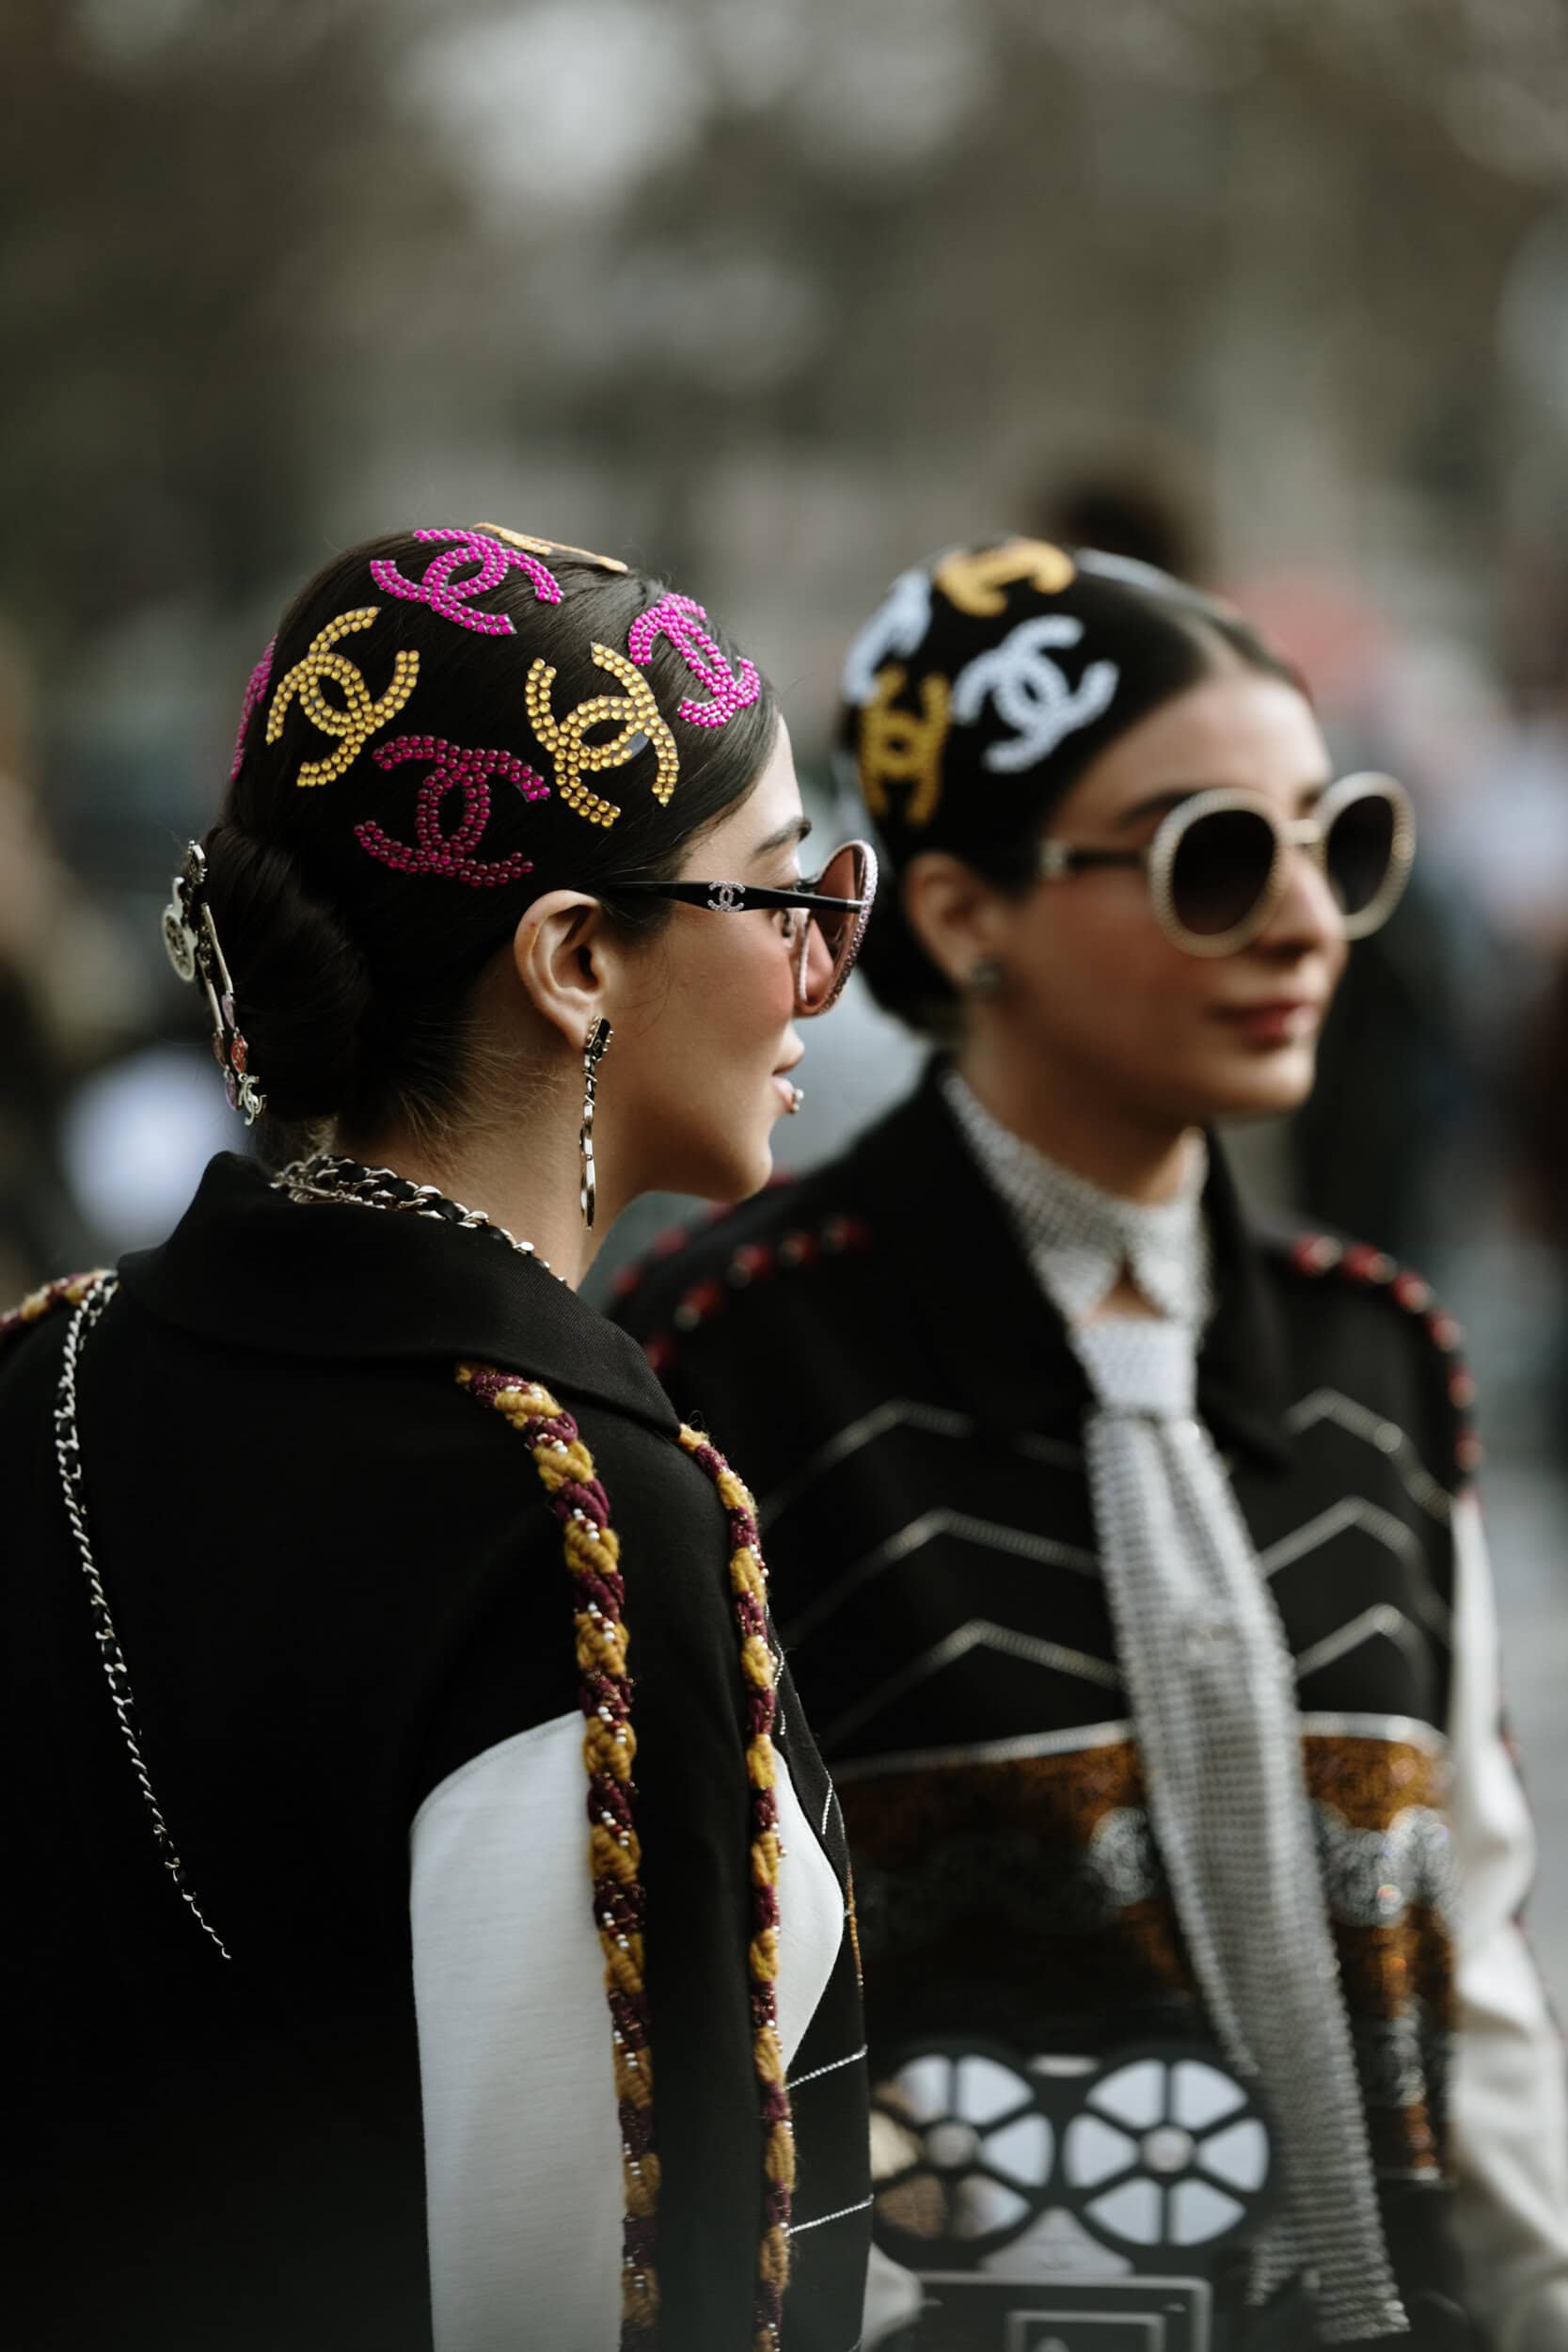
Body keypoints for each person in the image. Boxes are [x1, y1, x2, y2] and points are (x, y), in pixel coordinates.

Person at [612, 539, 1568, 2349]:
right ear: (964, 915)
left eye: (1338, 840)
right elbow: (682, 2038)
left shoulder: (1375, 1362)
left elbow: (1483, 1984)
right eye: (1217, 858)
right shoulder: (731, 1360)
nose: (1305, 920)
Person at [0, 524, 881, 2352]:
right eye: (786, 891)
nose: (819, 968)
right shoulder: (576, 1522)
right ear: (574, 956)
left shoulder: (37, 1376)